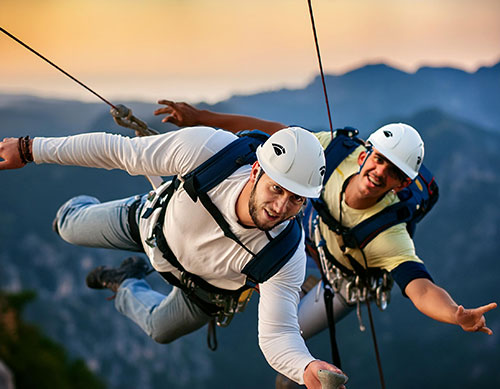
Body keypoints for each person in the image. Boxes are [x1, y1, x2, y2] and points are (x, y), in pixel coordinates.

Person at [152, 99, 497, 386]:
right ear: (365, 154)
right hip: (308, 247)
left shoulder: (388, 232)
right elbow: (276, 135)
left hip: (343, 283)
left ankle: (296, 375)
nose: (380, 172)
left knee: (289, 346)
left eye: (393, 173)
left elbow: (418, 286)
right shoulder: (333, 152)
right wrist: (202, 118)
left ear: (400, 186)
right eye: (379, 159)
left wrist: (455, 313)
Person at [0, 126, 345, 388]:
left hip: (204, 293)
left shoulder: (285, 254)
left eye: (297, 200)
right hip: (149, 226)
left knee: (159, 330)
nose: (280, 208)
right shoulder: (211, 153)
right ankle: (80, 211)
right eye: (277, 189)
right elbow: (119, 151)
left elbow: (278, 334)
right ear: (256, 170)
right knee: (67, 226)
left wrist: (304, 367)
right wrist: (30, 149)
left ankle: (123, 282)